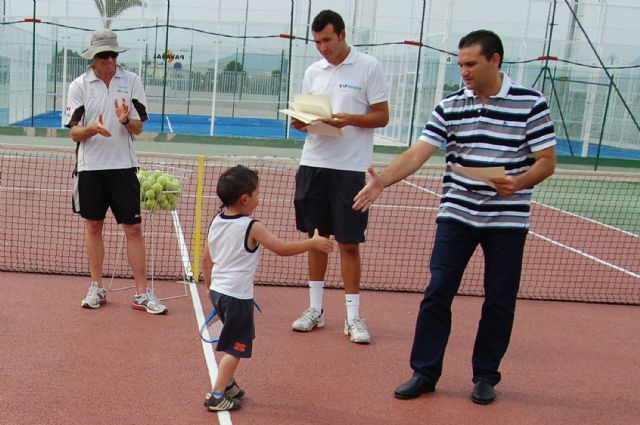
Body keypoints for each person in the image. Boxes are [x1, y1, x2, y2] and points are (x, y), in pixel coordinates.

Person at [353, 30, 556, 404]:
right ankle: (425, 372)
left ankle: (485, 377)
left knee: (499, 300)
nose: (463, 71)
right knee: (437, 291)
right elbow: (418, 152)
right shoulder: (450, 105)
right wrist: (384, 182)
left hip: (507, 219)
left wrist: (519, 181)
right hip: (456, 214)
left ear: (495, 60)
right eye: (460, 64)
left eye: (471, 64)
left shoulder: (531, 103)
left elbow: (546, 161)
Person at [289, 9, 389, 344]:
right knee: (317, 238)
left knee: (348, 242)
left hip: (350, 170)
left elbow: (382, 116)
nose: (322, 47)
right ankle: (314, 309)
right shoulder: (313, 71)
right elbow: (303, 116)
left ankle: (353, 317)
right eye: (317, 42)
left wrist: (350, 119)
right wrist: (300, 123)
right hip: (314, 162)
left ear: (343, 35)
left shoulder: (368, 66)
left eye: (327, 40)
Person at [202, 165, 334, 411]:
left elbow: (205, 261)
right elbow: (282, 249)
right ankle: (217, 395)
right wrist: (313, 242)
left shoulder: (216, 220)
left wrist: (211, 290)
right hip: (237, 297)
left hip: (219, 292)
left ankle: (228, 383)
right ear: (245, 199)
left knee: (237, 338)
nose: (259, 198)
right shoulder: (252, 226)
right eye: (257, 193)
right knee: (236, 347)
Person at [64, 28, 167, 314]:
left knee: (133, 228)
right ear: (94, 58)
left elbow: (138, 127)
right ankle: (96, 287)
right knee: (93, 226)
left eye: (113, 54)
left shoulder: (132, 81)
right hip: (90, 168)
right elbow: (74, 134)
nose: (109, 59)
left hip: (124, 167)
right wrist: (92, 129)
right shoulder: (79, 85)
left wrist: (125, 120)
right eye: (103, 55)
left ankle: (142, 293)